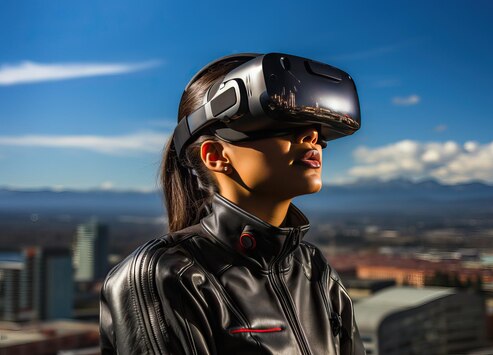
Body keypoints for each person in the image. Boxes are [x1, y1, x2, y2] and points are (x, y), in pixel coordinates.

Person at [99, 52, 365, 354]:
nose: (312, 136)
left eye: (317, 126)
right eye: (282, 117)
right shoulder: (166, 276)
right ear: (216, 156)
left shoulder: (314, 271)